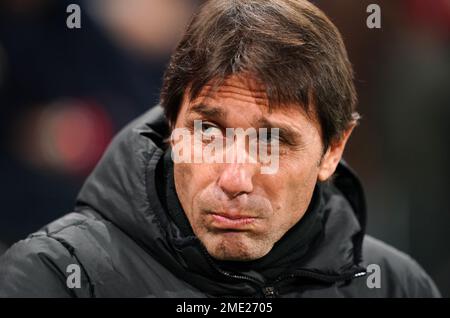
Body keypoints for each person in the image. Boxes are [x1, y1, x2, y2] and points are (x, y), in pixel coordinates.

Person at [0, 0, 440, 297]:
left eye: (273, 140)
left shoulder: (397, 285)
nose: (234, 179)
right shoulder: (52, 278)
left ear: (332, 150)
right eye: (208, 132)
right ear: (172, 127)